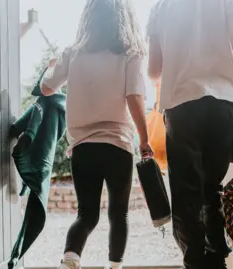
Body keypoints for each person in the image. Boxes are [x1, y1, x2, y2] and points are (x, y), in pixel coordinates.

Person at [146, 0, 233, 268]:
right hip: (224, 103)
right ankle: (217, 259)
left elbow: (154, 71)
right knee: (212, 188)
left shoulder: (161, 8)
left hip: (181, 104)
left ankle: (195, 262)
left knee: (186, 193)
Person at [40, 1, 152, 268]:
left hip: (84, 148)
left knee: (86, 215)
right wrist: (145, 139)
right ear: (124, 18)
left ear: (88, 18)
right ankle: (114, 266)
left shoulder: (73, 53)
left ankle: (71, 256)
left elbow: (46, 88)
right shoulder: (130, 53)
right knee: (118, 215)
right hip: (118, 146)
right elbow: (134, 97)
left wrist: (52, 65)